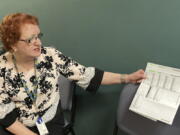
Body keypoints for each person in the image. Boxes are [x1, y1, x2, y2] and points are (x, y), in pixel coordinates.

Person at [0, 13, 146, 135]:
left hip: (52, 123)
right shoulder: (2, 68)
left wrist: (127, 77)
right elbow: (5, 116)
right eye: (31, 39)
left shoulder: (50, 55)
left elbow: (87, 75)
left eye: (38, 36)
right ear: (13, 44)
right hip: (20, 128)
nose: (38, 42)